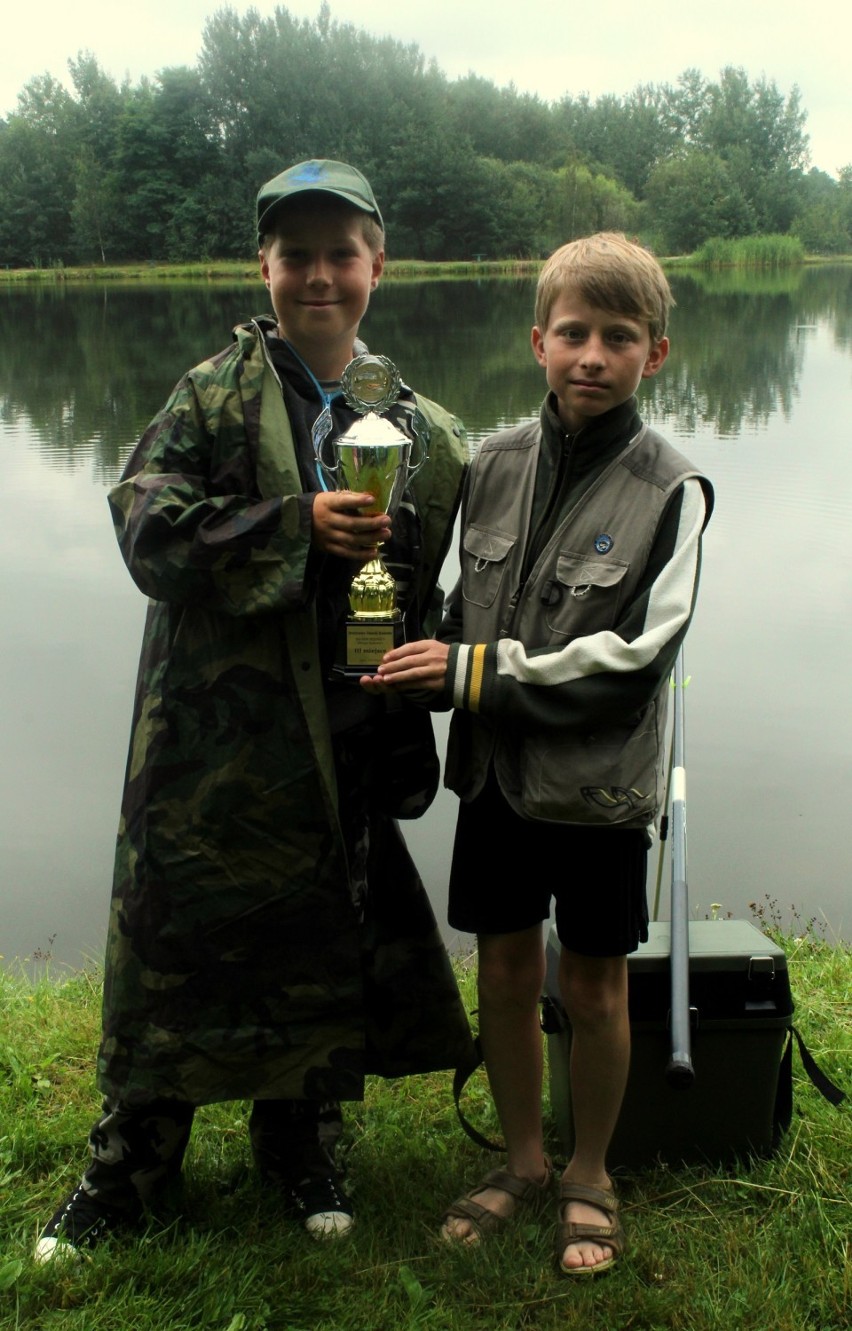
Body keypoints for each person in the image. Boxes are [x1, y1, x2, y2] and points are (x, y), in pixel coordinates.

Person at [35, 158, 473, 1262]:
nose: (318, 276)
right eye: (297, 255)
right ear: (264, 266)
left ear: (379, 263)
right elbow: (145, 521)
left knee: (322, 933)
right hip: (209, 743)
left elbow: (441, 577)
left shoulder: (419, 423)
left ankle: (302, 1145)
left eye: (341, 253)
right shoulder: (210, 390)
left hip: (340, 738)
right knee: (171, 942)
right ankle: (127, 1167)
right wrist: (292, 528)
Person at [362, 233, 713, 1275]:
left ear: (657, 353)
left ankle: (589, 1171)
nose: (591, 355)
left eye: (618, 336)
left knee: (597, 985)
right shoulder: (488, 464)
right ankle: (521, 1159)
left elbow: (638, 661)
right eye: (572, 333)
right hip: (495, 787)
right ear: (537, 341)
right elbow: (447, 599)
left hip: (599, 794)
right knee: (507, 969)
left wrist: (473, 674)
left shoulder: (676, 489)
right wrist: (375, 612)